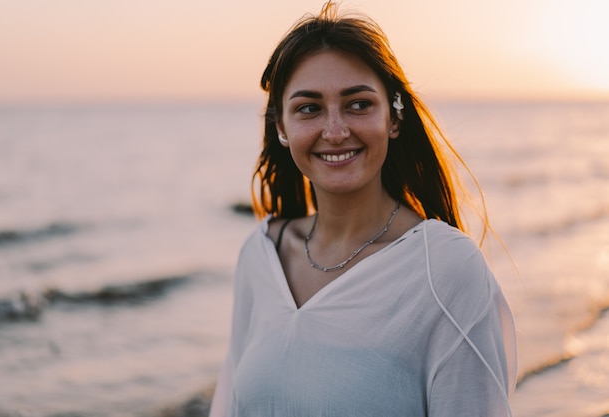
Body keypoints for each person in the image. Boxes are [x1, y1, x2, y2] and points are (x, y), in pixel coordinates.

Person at [210, 2, 517, 416]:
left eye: (358, 104)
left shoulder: (444, 269)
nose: (335, 132)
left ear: (393, 117)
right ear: (281, 127)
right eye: (309, 108)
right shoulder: (260, 254)